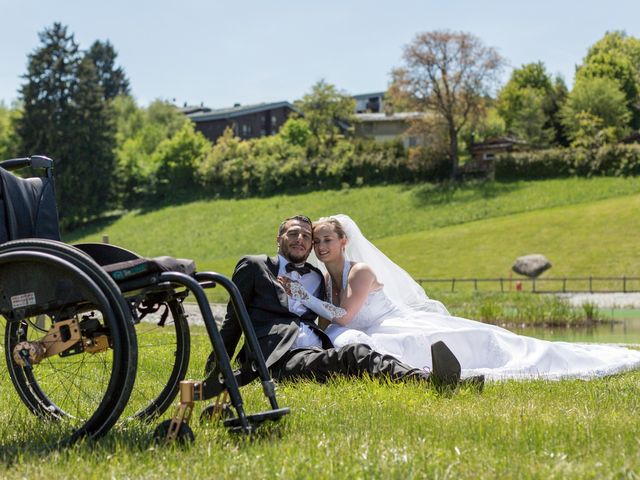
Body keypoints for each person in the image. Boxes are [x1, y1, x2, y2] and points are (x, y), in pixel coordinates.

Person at [281, 214, 640, 381]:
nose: (323, 247)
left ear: (344, 241)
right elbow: (329, 324)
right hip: (370, 331)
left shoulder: (361, 272)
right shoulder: (326, 277)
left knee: (483, 343)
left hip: (391, 323)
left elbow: (344, 316)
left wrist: (307, 299)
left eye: (329, 240)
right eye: (319, 241)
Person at [216, 214, 464, 390]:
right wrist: (217, 367)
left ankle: (448, 380)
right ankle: (426, 380)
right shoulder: (255, 266)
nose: (300, 239)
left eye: (306, 235)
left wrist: (305, 297)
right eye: (293, 233)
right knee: (355, 355)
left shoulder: (316, 277)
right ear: (278, 238)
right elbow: (232, 319)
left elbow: (328, 316)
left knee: (354, 355)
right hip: (279, 356)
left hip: (318, 348)